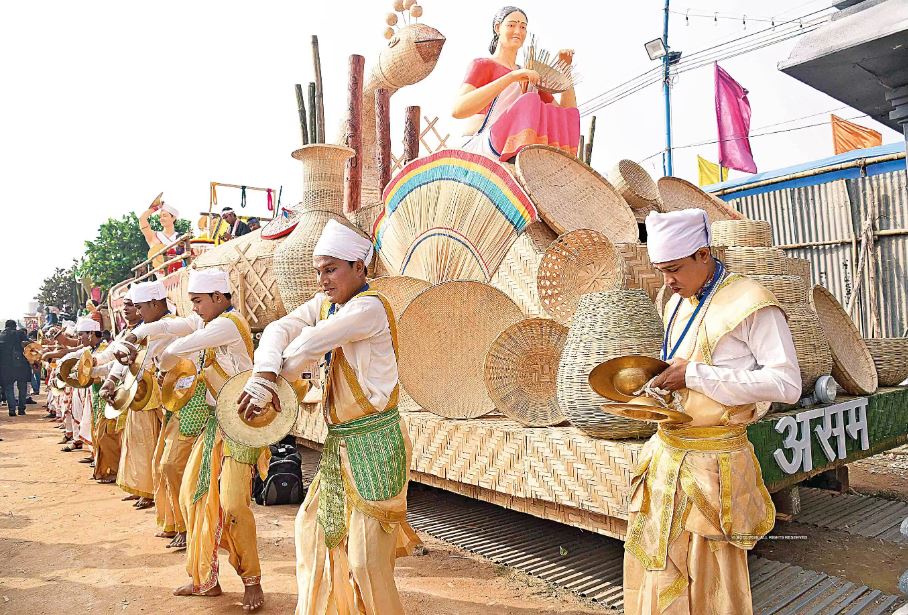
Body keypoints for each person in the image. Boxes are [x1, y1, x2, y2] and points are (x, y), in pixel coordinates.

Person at [622, 209, 802, 615]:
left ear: (703, 254)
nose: (667, 280)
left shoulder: (751, 303)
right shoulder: (675, 300)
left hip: (714, 466)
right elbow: (681, 363)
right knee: (660, 563)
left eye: (674, 268)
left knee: (710, 573)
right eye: (660, 269)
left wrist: (698, 376)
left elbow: (787, 384)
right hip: (667, 457)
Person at [242, 219, 418, 615]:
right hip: (340, 447)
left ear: (360, 268)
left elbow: (308, 342)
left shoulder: (368, 309)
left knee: (367, 563)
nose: (322, 279)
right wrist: (263, 373)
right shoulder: (328, 305)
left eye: (331, 269)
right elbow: (278, 328)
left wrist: (268, 382)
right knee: (315, 535)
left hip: (376, 445)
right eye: (319, 270)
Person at [126, 270, 267, 611]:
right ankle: (205, 578)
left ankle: (252, 581)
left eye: (198, 301)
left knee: (233, 505)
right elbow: (167, 327)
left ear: (219, 298)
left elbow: (179, 343)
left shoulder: (229, 324)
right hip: (216, 425)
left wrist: (148, 351)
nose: (194, 309)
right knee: (192, 496)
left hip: (242, 425)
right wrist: (134, 337)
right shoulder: (207, 321)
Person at [452, 6, 579, 162]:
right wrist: (511, 77)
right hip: (484, 144)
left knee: (540, 103)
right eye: (511, 25)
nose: (518, 31)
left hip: (523, 148)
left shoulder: (530, 74)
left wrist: (565, 70)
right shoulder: (483, 65)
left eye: (523, 27)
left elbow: (565, 116)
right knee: (530, 100)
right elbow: (458, 110)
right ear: (497, 28)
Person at [119, 280, 193, 548]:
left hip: (189, 404)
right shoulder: (153, 328)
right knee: (162, 464)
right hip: (169, 403)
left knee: (173, 466)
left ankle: (188, 525)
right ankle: (174, 521)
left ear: (154, 304)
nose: (138, 312)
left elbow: (179, 364)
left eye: (140, 307)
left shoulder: (177, 325)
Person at [95, 289, 161, 508]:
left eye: (132, 304)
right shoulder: (126, 334)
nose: (126, 308)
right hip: (134, 393)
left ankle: (150, 491)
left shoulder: (154, 329)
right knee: (132, 443)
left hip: (152, 395)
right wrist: (107, 378)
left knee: (148, 444)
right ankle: (139, 487)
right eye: (124, 304)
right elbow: (116, 361)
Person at [140, 199, 184, 274]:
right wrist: (156, 208)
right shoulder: (154, 236)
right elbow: (142, 219)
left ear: (173, 218)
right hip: (160, 275)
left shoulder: (181, 237)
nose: (161, 219)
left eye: (165, 216)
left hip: (180, 275)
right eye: (160, 217)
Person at [0, 320, 32, 416]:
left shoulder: (1, 335)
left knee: (9, 388)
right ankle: (21, 409)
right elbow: (29, 345)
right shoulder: (20, 334)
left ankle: (12, 410)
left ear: (6, 326)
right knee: (22, 387)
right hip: (21, 365)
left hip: (6, 367)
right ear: (15, 326)